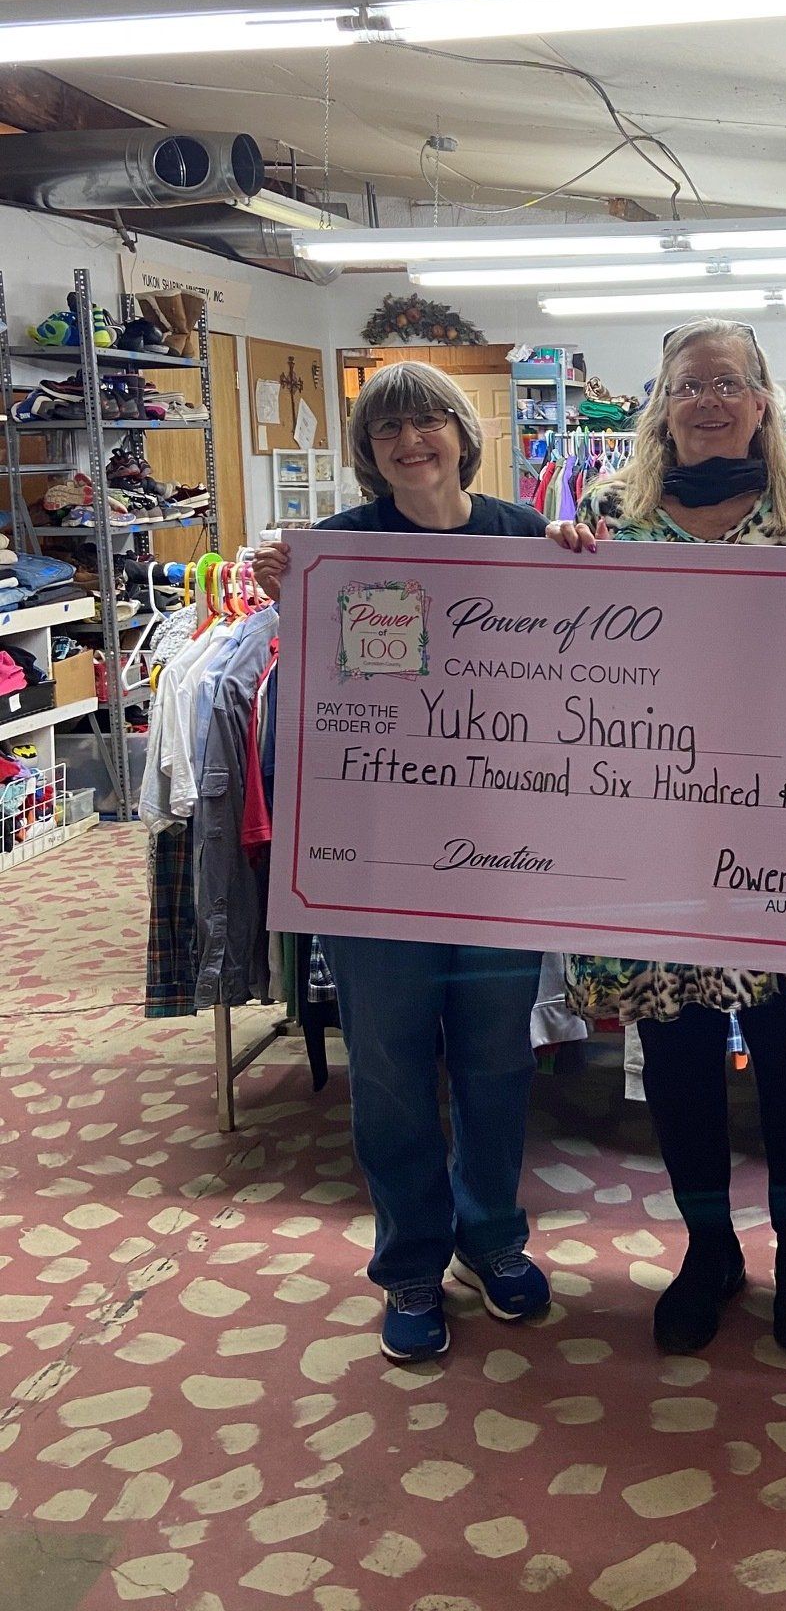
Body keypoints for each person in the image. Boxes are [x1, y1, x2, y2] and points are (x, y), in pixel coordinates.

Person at [548, 318, 786, 1355]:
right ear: (662, 404)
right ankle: (707, 1248)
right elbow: (563, 660)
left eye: (731, 382)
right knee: (675, 1042)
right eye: (691, 385)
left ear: (763, 400)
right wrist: (558, 572)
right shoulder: (606, 513)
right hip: (652, 830)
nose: (712, 400)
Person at [254, 362, 552, 1364]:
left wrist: (591, 559)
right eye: (389, 429)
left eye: (429, 420)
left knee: (497, 1061)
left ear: (463, 432)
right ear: (368, 453)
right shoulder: (333, 553)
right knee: (386, 1069)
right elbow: (309, 716)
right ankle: (413, 1264)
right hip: (376, 868)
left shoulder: (527, 537)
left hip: (502, 858)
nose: (411, 439)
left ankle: (494, 1239)